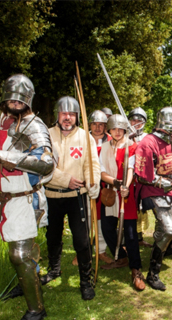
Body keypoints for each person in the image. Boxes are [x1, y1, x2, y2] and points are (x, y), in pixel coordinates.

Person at [0, 74, 55, 320]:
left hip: (25, 197)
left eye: (20, 98)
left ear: (28, 100)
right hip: (6, 199)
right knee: (20, 253)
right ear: (5, 97)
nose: (15, 102)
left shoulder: (34, 125)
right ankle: (25, 284)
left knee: (20, 254)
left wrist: (5, 156)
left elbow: (46, 164)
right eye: (12, 97)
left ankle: (36, 310)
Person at [40, 96, 100, 301]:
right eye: (64, 113)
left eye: (71, 114)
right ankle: (54, 269)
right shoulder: (45, 135)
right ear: (58, 114)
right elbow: (43, 167)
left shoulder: (85, 137)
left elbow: (92, 164)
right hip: (52, 195)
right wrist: (65, 180)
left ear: (76, 116)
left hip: (77, 197)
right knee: (53, 237)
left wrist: (93, 183)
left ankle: (86, 281)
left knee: (82, 241)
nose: (67, 117)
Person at [134, 107, 172, 291]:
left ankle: (162, 244)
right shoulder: (148, 142)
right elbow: (141, 175)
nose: (169, 129)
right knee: (169, 231)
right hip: (153, 191)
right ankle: (153, 273)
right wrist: (162, 183)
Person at [99, 114, 145, 291]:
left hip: (127, 194)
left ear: (125, 130)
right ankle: (121, 257)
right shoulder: (103, 148)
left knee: (131, 233)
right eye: (114, 129)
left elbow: (131, 168)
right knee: (107, 228)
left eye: (121, 129)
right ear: (109, 130)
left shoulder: (132, 146)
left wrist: (125, 186)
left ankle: (136, 269)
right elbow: (101, 171)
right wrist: (115, 183)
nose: (117, 132)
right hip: (111, 192)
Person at [71, 110, 113, 266]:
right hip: (85, 184)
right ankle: (82, 251)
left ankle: (100, 250)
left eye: (101, 125)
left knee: (102, 220)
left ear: (105, 126)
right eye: (94, 124)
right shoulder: (81, 138)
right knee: (84, 220)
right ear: (90, 125)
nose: (97, 128)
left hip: (104, 186)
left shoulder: (111, 140)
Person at [128, 107, 152, 248]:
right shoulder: (123, 135)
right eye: (134, 119)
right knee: (129, 208)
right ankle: (127, 239)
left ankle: (139, 237)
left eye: (139, 120)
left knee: (141, 209)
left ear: (144, 122)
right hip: (129, 178)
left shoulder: (149, 138)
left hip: (143, 180)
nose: (136, 122)